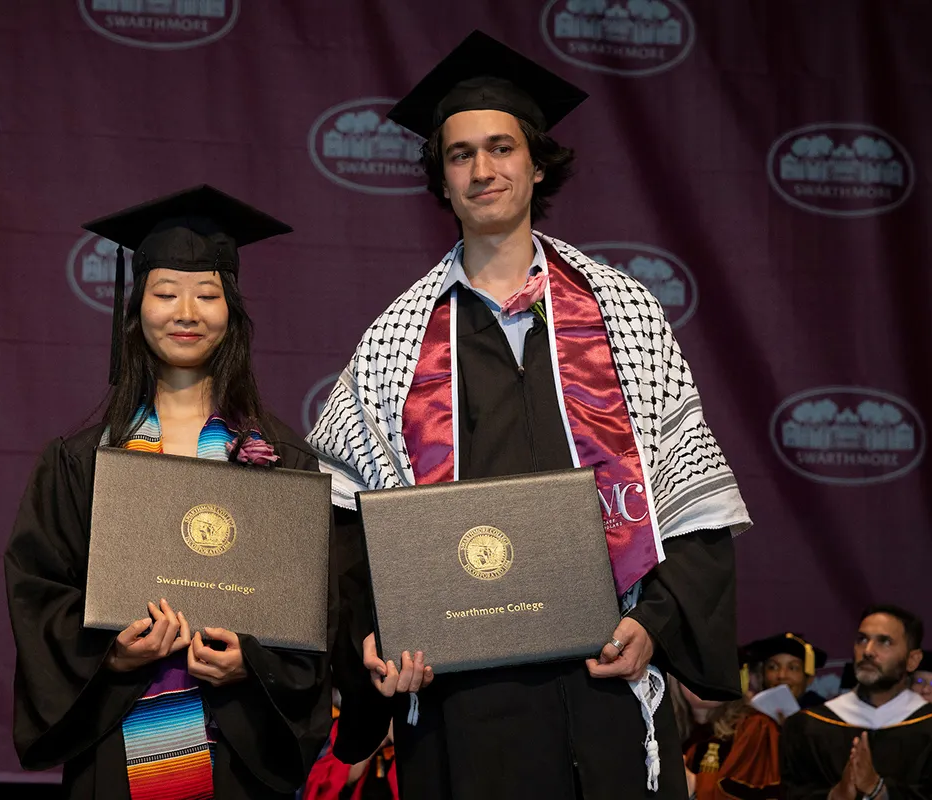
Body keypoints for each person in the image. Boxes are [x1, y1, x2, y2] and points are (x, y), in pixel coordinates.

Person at [307, 29, 751, 799]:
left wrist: (657, 622)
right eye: (460, 154)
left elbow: (690, 488)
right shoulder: (394, 343)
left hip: (605, 673)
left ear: (537, 162)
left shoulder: (624, 315)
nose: (483, 170)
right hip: (461, 696)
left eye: (502, 148)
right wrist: (378, 641)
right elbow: (350, 527)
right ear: (439, 180)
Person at [4, 185, 334, 799]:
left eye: (208, 295)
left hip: (237, 754)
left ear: (232, 311)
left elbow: (310, 610)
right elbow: (38, 591)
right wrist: (110, 655)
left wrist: (253, 663)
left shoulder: (278, 461)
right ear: (137, 309)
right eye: (165, 293)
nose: (187, 312)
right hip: (119, 747)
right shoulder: (84, 461)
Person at [781, 604, 932, 799]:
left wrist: (880, 791)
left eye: (884, 642)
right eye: (862, 639)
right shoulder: (806, 727)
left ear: (913, 660)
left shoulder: (929, 727)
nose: (868, 651)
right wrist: (835, 796)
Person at [672, 676, 781, 800]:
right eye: (693, 664)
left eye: (715, 665)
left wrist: (694, 784)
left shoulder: (755, 728)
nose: (704, 677)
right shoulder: (662, 732)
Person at [742, 633, 829, 710]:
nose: (782, 675)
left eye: (793, 668)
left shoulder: (823, 716)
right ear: (762, 674)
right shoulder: (750, 716)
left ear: (809, 678)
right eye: (773, 667)